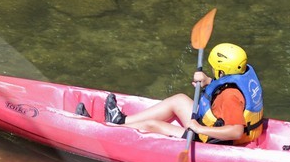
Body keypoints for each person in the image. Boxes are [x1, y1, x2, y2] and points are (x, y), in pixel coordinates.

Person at [102, 42, 265, 145]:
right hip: (213, 125)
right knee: (179, 99)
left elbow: (235, 131)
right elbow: (223, 88)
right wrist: (208, 81)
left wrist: (199, 129)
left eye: (215, 68)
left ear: (222, 71)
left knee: (151, 125)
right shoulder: (238, 79)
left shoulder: (230, 97)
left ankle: (108, 133)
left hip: (214, 139)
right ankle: (120, 120)